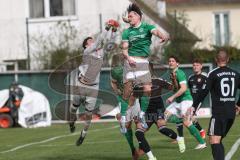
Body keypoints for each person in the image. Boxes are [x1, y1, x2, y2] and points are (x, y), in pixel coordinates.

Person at [68, 19, 119, 146]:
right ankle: (71, 121)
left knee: (88, 115)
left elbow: (110, 44)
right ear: (86, 45)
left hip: (93, 88)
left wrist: (114, 31)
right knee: (73, 108)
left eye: (92, 40)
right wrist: (106, 28)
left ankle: (83, 134)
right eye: (89, 41)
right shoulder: (86, 52)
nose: (92, 41)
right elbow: (98, 42)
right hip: (80, 85)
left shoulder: (100, 53)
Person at [121, 3, 169, 131]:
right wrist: (128, 57)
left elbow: (155, 31)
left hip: (143, 62)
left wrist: (162, 35)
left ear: (138, 17)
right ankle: (124, 119)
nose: (129, 18)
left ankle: (142, 114)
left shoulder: (147, 27)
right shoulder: (126, 32)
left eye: (131, 16)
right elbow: (124, 49)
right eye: (128, 16)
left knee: (148, 89)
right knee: (128, 94)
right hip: (130, 62)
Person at [192, 50, 240, 160]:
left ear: (215, 60)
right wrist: (238, 104)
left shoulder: (213, 73)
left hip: (219, 113)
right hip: (231, 114)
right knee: (217, 140)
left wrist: (193, 107)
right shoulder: (236, 74)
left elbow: (204, 92)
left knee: (214, 141)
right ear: (228, 60)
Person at [111, 54, 157, 160]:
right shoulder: (116, 71)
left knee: (139, 129)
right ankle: (133, 149)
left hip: (134, 101)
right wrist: (117, 91)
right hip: (124, 102)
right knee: (127, 127)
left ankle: (151, 156)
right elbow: (113, 82)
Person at [164, 56, 206, 153]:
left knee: (187, 122)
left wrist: (172, 97)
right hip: (179, 101)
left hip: (186, 101)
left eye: (173, 61)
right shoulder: (172, 74)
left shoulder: (180, 73)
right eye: (169, 61)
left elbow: (183, 89)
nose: (170, 62)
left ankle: (202, 143)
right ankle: (181, 120)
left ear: (177, 63)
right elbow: (176, 88)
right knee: (164, 116)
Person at [188, 59, 207, 138]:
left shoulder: (205, 76)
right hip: (190, 100)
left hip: (199, 100)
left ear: (201, 66)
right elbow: (188, 89)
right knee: (189, 117)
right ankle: (201, 131)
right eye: (194, 65)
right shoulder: (190, 77)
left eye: (197, 65)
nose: (195, 67)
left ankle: (201, 132)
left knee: (190, 117)